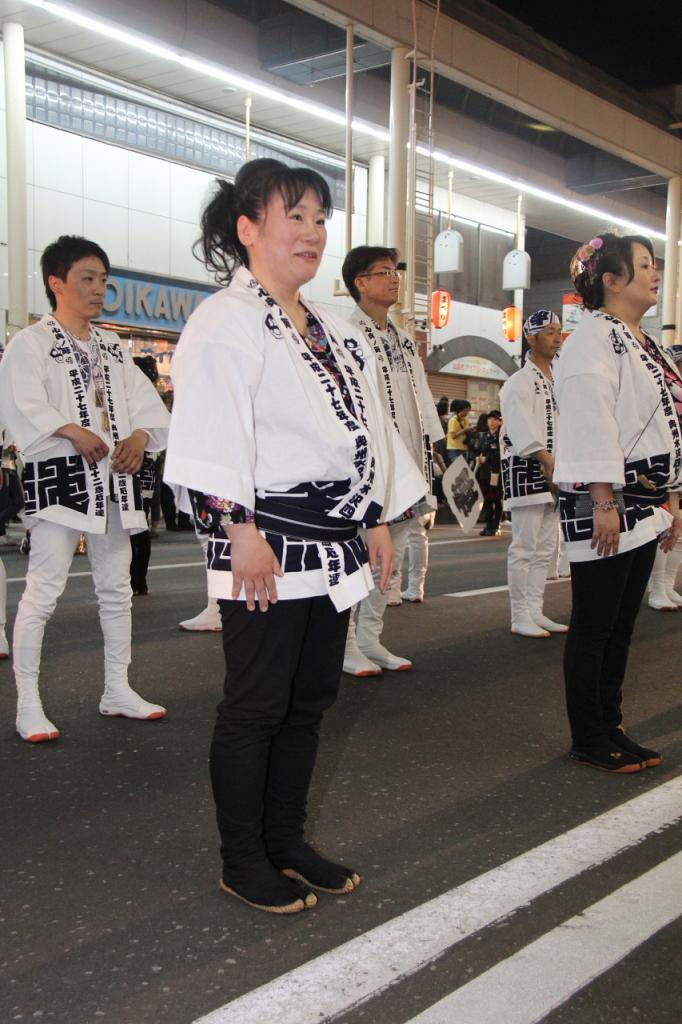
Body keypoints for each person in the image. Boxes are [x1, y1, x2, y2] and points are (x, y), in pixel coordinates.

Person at [164, 159, 425, 915]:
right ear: (248, 229)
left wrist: (376, 516)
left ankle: (286, 839)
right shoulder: (226, 319)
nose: (312, 232)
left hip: (335, 537)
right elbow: (212, 426)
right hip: (263, 538)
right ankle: (242, 857)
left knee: (309, 700)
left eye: (319, 218)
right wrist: (238, 527)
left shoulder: (335, 328)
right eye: (295, 216)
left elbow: (368, 427)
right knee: (256, 704)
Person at [0, 235, 170, 742]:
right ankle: (28, 703)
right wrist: (71, 430)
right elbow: (22, 403)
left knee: (116, 589)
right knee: (43, 591)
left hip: (114, 480)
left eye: (103, 280)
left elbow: (146, 406)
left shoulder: (112, 346)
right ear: (57, 283)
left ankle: (117, 688)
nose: (99, 289)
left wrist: (140, 437)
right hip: (61, 479)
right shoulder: (31, 342)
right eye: (87, 279)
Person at [554, 233, 681, 773]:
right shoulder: (592, 338)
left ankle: (612, 725)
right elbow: (590, 416)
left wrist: (672, 498)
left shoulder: (642, 340)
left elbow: (669, 422)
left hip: (646, 499)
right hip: (606, 498)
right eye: (644, 265)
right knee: (595, 622)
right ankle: (589, 735)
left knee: (622, 623)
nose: (656, 274)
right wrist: (603, 499)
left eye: (655, 264)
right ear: (610, 280)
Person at [339, 246, 443, 672]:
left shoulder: (401, 336)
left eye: (395, 271)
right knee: (357, 553)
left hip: (407, 458)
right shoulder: (347, 333)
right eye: (384, 272)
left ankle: (370, 637)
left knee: (392, 554)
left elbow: (421, 393)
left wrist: (433, 444)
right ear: (360, 282)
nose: (394, 278)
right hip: (368, 462)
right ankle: (345, 643)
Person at [500, 311, 568, 637]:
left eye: (559, 331)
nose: (557, 337)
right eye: (550, 331)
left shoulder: (560, 378)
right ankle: (519, 616)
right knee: (524, 546)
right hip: (528, 466)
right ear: (532, 337)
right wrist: (546, 458)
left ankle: (535, 610)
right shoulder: (519, 381)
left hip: (558, 466)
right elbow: (519, 426)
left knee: (546, 547)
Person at [647, 341, 682, 610]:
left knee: (680, 527)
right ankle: (656, 588)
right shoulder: (661, 388)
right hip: (664, 464)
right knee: (664, 526)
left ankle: (668, 585)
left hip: (679, 462)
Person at [129, 356, 161, 597]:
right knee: (140, 527)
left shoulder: (135, 401)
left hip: (134, 472)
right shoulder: (153, 402)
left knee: (133, 529)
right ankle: (139, 580)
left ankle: (133, 579)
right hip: (146, 474)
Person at [478, 409, 503, 536]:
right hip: (484, 473)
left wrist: (486, 459)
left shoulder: (502, 437)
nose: (491, 422)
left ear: (500, 422)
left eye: (494, 419)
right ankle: (488, 525)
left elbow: (500, 455)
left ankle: (496, 525)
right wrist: (478, 458)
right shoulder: (484, 436)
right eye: (489, 419)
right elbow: (479, 450)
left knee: (496, 499)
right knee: (487, 499)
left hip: (496, 473)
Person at [446, 399, 473, 464]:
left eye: (468, 411)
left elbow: (467, 430)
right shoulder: (453, 420)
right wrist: (465, 430)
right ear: (460, 409)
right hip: (454, 449)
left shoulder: (465, 419)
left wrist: (471, 430)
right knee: (458, 467)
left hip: (463, 448)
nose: (467, 413)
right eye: (466, 410)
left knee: (462, 468)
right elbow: (453, 436)